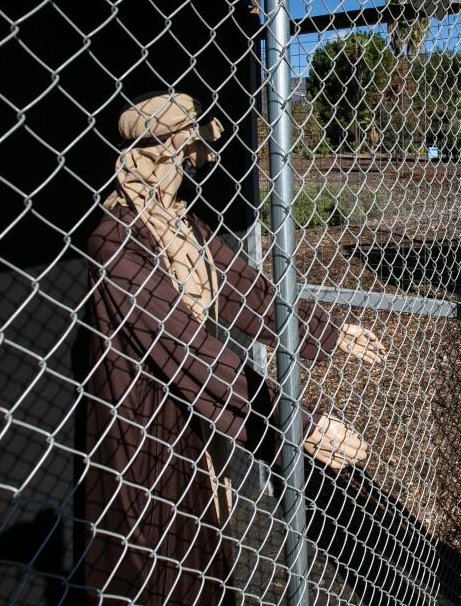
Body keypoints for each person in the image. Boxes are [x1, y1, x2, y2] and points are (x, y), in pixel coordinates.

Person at [82, 92, 384, 605]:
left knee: (207, 538)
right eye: (184, 155)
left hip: (196, 416)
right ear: (155, 155)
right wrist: (295, 422)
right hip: (144, 420)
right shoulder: (116, 239)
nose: (191, 169)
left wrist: (329, 334)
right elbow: (183, 343)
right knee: (154, 558)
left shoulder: (184, 226)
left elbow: (248, 291)